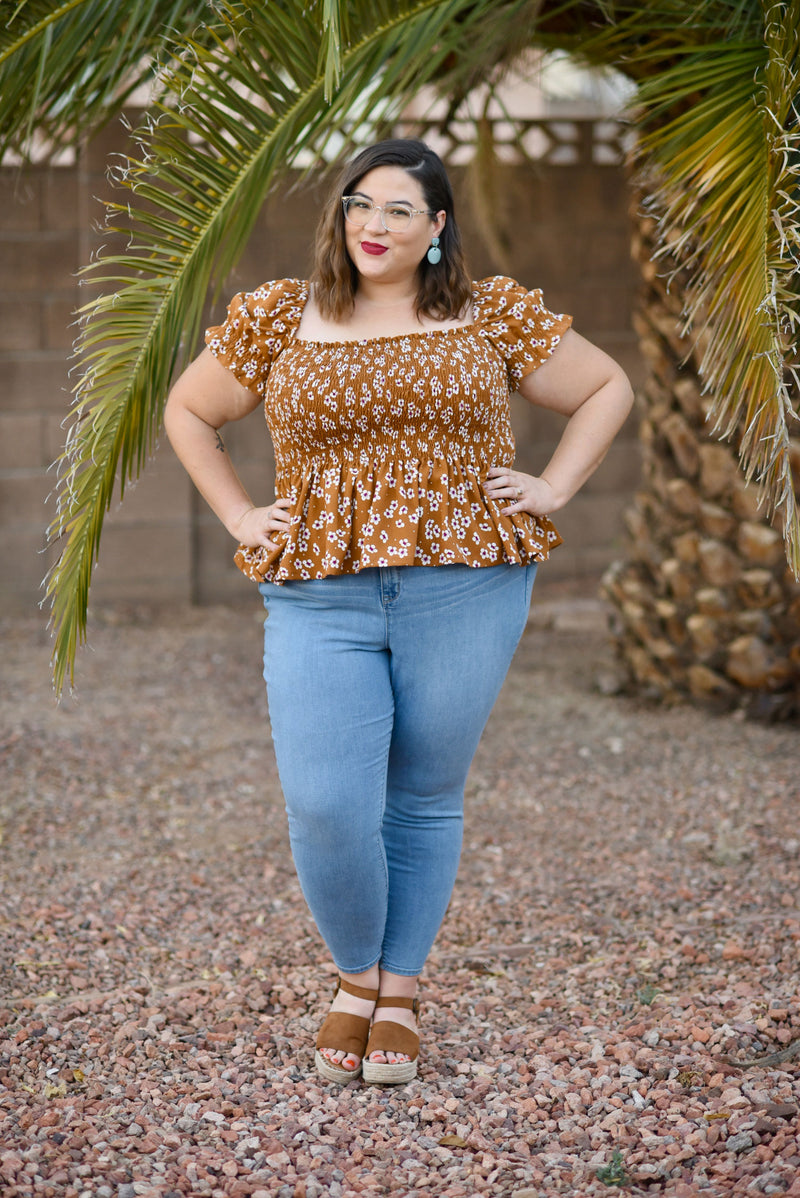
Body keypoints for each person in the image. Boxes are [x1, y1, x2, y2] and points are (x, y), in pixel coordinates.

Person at [164, 137, 633, 1086]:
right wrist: (242, 513)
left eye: (400, 211)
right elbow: (188, 412)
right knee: (329, 803)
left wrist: (553, 486)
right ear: (343, 216)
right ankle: (354, 975)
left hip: (466, 581)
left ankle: (399, 991)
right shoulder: (277, 318)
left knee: (422, 793)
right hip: (318, 590)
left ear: (436, 228)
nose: (375, 226)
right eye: (361, 205)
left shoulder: (488, 313)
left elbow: (606, 387)